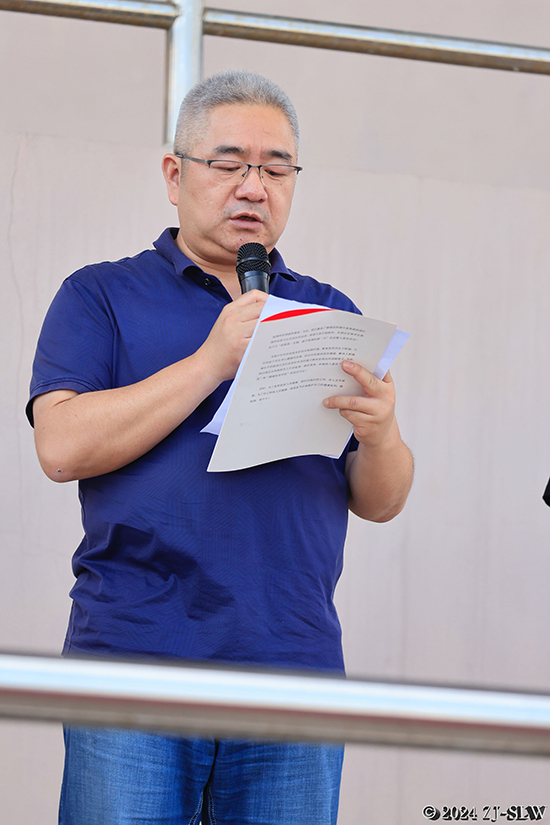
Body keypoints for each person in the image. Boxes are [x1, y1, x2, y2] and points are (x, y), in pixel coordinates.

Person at [28, 70, 413, 825]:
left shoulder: (328, 312)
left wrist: (382, 432)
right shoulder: (99, 295)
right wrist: (211, 360)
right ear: (176, 176)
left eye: (276, 170)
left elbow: (382, 500)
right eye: (229, 164)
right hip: (134, 663)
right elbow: (60, 447)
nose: (254, 188)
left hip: (292, 668)